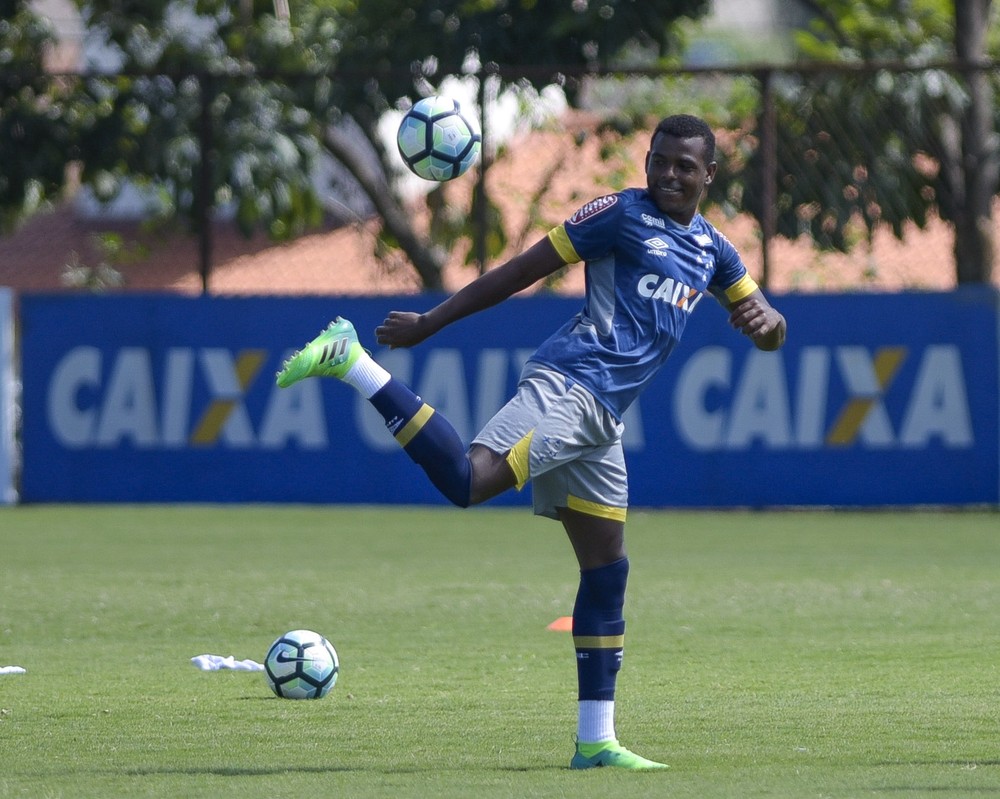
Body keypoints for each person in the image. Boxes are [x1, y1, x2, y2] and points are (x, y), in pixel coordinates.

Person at [276, 113, 786, 770]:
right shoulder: (619, 214)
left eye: (684, 165)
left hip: (602, 421)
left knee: (608, 572)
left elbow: (768, 328)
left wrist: (768, 321)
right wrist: (433, 320)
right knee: (468, 480)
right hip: (569, 387)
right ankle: (352, 361)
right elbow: (521, 270)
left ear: (708, 175)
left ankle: (596, 741)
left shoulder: (715, 250)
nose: (667, 174)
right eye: (659, 160)